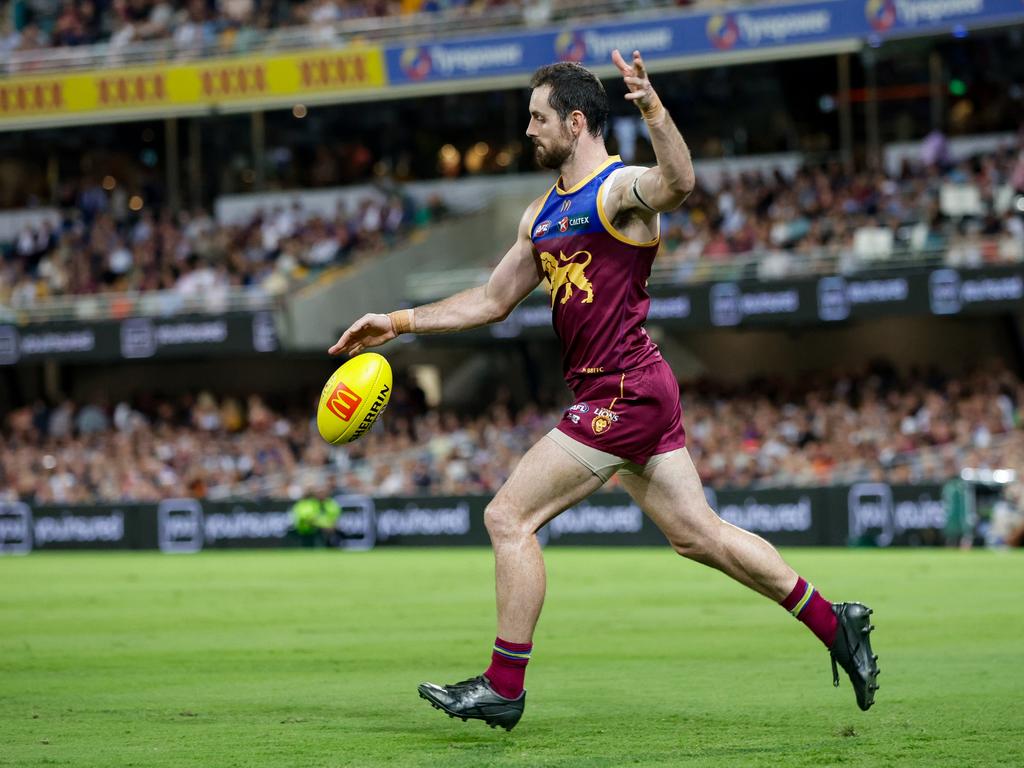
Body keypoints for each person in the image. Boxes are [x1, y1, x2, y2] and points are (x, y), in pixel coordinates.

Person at [329, 50, 879, 731]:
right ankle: (836, 623)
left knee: (507, 519)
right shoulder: (541, 213)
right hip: (630, 389)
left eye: (537, 117)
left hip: (622, 390)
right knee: (698, 536)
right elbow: (492, 301)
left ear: (576, 121)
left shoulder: (618, 192)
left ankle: (504, 686)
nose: (527, 129)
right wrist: (398, 322)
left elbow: (679, 182)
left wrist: (651, 104)